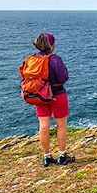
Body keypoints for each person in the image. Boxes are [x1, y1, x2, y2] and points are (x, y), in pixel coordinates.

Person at [31, 32, 74, 167]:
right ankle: (62, 155)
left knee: (43, 126)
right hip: (57, 95)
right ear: (52, 45)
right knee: (61, 125)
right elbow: (63, 78)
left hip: (40, 96)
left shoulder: (31, 59)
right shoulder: (55, 59)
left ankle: (46, 157)